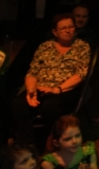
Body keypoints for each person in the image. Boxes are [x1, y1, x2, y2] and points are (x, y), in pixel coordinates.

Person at [12, 14, 91, 147]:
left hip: (66, 89)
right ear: (55, 32)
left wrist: (57, 89)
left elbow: (80, 75)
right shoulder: (45, 46)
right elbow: (32, 72)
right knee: (18, 104)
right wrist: (31, 91)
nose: (68, 31)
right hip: (41, 87)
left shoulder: (82, 46)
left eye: (71, 27)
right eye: (63, 28)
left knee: (50, 107)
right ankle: (28, 145)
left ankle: (54, 142)